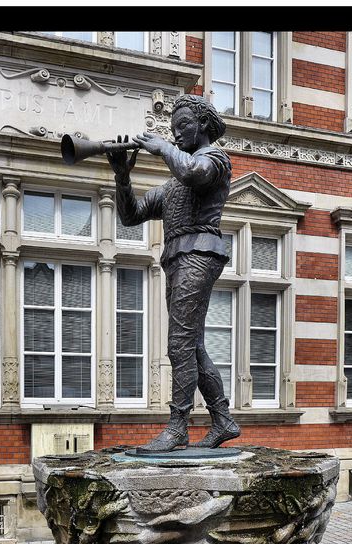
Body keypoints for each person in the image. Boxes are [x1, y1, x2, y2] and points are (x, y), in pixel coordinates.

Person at [108, 94, 241, 451]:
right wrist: (122, 175)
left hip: (199, 252)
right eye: (173, 129)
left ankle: (178, 427)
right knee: (192, 345)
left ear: (203, 126)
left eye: (183, 126)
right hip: (177, 258)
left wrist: (163, 147)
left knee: (179, 342)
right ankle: (223, 419)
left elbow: (192, 171)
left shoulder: (214, 159)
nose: (177, 133)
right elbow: (131, 215)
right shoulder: (171, 186)